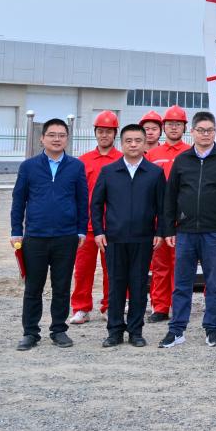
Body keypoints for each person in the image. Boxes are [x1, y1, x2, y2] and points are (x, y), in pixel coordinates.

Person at [159, 111, 216, 349]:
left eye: (210, 130)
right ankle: (176, 330)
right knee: (182, 283)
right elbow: (170, 196)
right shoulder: (182, 160)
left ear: (215, 133)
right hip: (185, 232)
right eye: (201, 130)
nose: (205, 134)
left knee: (214, 284)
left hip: (214, 232)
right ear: (192, 132)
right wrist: (169, 229)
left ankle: (212, 331)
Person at [11, 118, 88, 350]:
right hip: (35, 236)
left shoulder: (76, 166)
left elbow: (82, 200)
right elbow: (19, 200)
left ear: (67, 139)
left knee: (62, 286)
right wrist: (16, 231)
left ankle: (59, 330)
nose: (57, 139)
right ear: (42, 138)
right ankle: (30, 333)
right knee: (33, 287)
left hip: (66, 236)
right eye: (52, 135)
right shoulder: (29, 166)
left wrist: (81, 230)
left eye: (61, 135)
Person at [90, 123, 165, 348]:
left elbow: (163, 207)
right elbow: (96, 204)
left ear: (145, 144)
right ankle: (114, 331)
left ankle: (135, 331)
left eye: (138, 141)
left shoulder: (155, 173)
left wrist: (160, 232)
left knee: (139, 286)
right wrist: (99, 231)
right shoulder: (109, 171)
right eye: (128, 141)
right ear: (121, 144)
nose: (133, 145)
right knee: (116, 286)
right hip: (114, 239)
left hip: (143, 239)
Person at [70, 110, 123, 325]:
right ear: (95, 133)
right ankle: (81, 308)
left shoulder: (122, 160)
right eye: (101, 131)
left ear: (115, 133)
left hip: (113, 226)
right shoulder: (83, 161)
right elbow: (75, 194)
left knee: (113, 270)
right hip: (88, 226)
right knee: (83, 269)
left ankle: (110, 306)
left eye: (109, 131)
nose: (104, 135)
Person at [144, 105, 191, 323]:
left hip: (183, 218)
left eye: (178, 124)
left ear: (184, 128)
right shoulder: (152, 154)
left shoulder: (191, 153)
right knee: (159, 264)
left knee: (181, 265)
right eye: (170, 124)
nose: (174, 127)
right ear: (164, 127)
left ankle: (179, 306)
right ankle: (160, 307)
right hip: (158, 218)